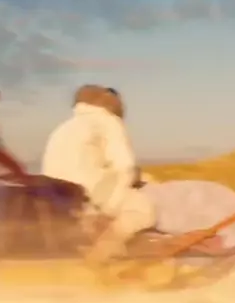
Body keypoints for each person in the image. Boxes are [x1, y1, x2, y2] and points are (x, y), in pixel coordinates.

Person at [42, 85, 160, 262]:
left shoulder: (64, 127)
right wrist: (113, 205)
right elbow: (125, 166)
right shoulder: (109, 121)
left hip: (59, 196)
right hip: (88, 192)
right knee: (143, 209)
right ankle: (106, 247)